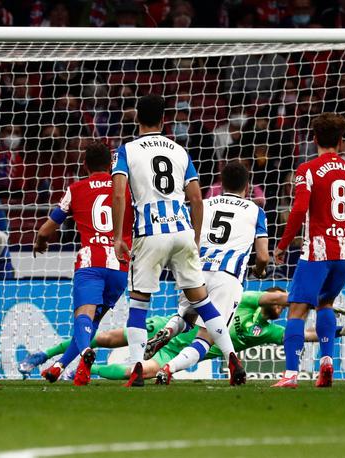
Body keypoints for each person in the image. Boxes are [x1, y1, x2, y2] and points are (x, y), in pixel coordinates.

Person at [111, 94, 245, 387]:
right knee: (203, 300)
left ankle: (136, 367)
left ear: (137, 119)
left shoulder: (127, 150)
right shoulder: (180, 151)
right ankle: (231, 355)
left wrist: (117, 236)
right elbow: (196, 198)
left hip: (150, 233)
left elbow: (119, 194)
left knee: (139, 303)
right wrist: (195, 238)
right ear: (163, 120)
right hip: (182, 230)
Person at [17, 288, 345, 379]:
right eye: (277, 302)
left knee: (140, 372)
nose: (279, 307)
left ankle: (83, 370)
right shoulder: (244, 300)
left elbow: (305, 335)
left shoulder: (269, 330)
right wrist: (314, 298)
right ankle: (45, 355)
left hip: (179, 351)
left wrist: (338, 331)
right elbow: (278, 297)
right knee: (105, 338)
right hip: (174, 327)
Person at [146, 161, 270, 384]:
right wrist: (259, 271)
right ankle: (168, 368)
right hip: (227, 276)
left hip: (196, 270)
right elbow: (263, 256)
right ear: (247, 186)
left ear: (221, 183)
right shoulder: (255, 211)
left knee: (187, 316)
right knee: (207, 337)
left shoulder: (204, 203)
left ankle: (168, 330)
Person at [272, 113, 345, 389]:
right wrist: (341, 229)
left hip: (318, 251)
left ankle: (290, 375)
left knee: (297, 310)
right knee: (325, 304)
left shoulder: (308, 170)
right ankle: (327, 362)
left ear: (314, 139)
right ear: (340, 140)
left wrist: (283, 244)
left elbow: (299, 209)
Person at [33, 142, 133, 386]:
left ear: (85, 164)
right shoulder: (127, 190)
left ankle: (85, 354)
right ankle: (60, 367)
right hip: (120, 266)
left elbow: (47, 228)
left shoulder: (76, 189)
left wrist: (40, 241)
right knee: (91, 324)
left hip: (91, 263)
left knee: (83, 319)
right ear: (111, 165)